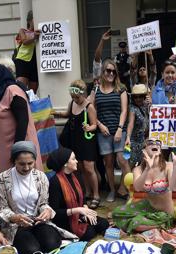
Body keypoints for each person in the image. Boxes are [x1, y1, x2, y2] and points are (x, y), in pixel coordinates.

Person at [0, 141, 76, 254]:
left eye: (30, 163)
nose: (26, 168)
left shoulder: (40, 177)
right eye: (21, 164)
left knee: (51, 245)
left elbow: (43, 202)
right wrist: (14, 217)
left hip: (38, 221)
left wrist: (46, 211)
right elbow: (1, 207)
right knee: (32, 252)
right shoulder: (3, 179)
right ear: (14, 161)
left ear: (35, 161)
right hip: (17, 225)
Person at [112, 139, 176, 233]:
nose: (155, 144)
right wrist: (147, 169)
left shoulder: (168, 166)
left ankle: (161, 225)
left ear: (160, 149)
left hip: (164, 213)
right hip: (148, 206)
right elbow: (137, 187)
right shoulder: (138, 169)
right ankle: (143, 220)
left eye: (158, 143)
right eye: (150, 143)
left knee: (136, 223)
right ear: (144, 150)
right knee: (116, 212)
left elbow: (174, 187)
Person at [53, 80, 100, 208]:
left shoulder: (89, 106)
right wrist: (55, 113)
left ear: (83, 94)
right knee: (80, 168)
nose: (75, 99)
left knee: (89, 167)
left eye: (77, 97)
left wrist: (88, 128)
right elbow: (68, 114)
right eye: (73, 97)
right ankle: (87, 192)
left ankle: (96, 195)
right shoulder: (72, 102)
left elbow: (95, 125)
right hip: (75, 139)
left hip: (87, 139)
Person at [47, 147, 109, 241]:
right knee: (89, 233)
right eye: (73, 159)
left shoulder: (76, 175)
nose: (76, 161)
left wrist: (86, 211)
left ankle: (84, 223)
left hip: (78, 215)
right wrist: (77, 210)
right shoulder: (55, 182)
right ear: (65, 163)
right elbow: (55, 212)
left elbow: (82, 198)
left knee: (104, 223)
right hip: (65, 220)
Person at [92, 59, 130, 202]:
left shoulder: (121, 88)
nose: (111, 73)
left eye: (113, 71)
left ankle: (129, 190)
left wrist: (120, 129)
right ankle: (112, 190)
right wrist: (100, 125)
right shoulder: (96, 89)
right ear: (103, 72)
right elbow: (92, 111)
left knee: (122, 160)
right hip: (103, 133)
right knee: (108, 163)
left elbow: (124, 111)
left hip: (120, 130)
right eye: (108, 70)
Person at [13, 10, 40, 93]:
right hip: (22, 61)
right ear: (29, 20)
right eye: (34, 19)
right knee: (21, 88)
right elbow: (24, 41)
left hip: (34, 62)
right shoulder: (23, 31)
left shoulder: (39, 31)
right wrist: (34, 37)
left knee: (32, 91)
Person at [126, 84, 151, 166]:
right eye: (135, 97)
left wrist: (150, 104)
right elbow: (130, 123)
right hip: (133, 142)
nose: (138, 99)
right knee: (130, 166)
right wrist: (128, 137)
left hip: (144, 142)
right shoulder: (132, 108)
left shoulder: (147, 106)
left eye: (140, 96)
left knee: (143, 166)